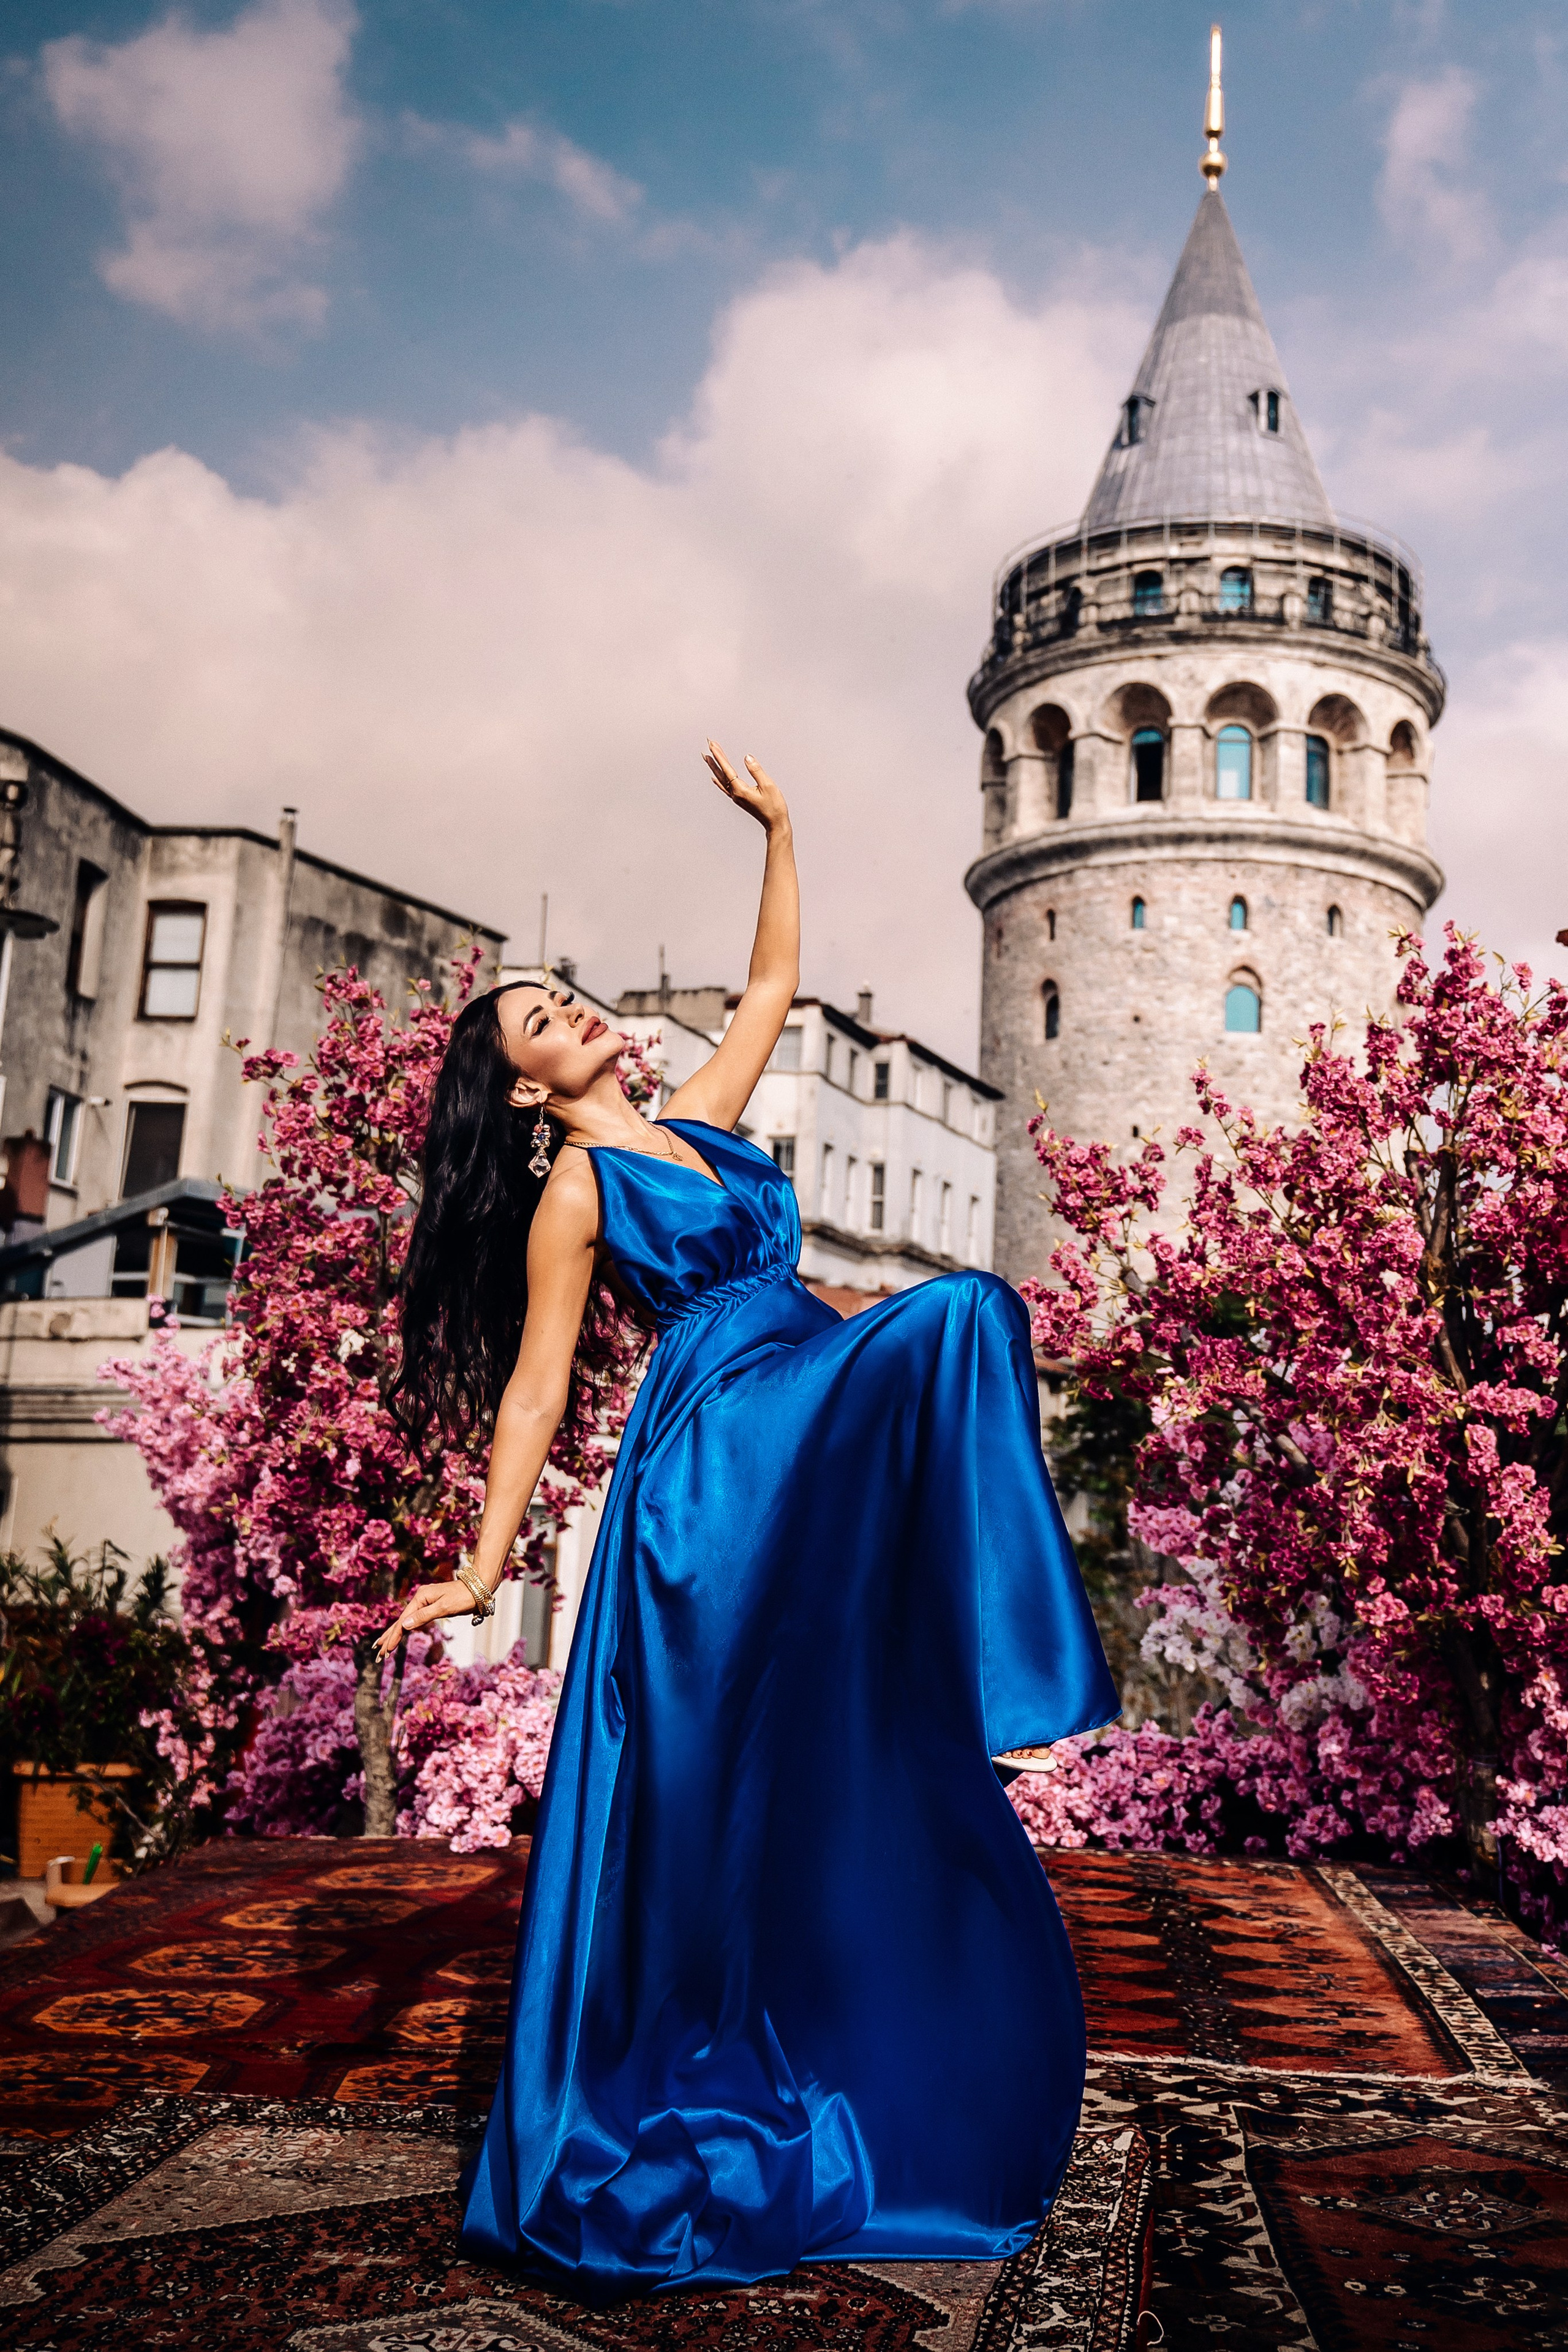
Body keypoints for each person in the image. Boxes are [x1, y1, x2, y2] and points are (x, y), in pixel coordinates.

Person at [378, 742, 1117, 2306]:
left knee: (960, 1332)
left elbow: (773, 982)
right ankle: (988, 1694)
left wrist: (781, 827)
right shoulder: (576, 1190)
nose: (569, 1008)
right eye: (536, 1019)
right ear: (524, 1085)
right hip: (718, 1454)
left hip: (798, 1403)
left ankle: (976, 1695)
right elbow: (528, 1392)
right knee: (959, 1315)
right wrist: (482, 1556)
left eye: (563, 991)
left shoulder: (701, 1121)